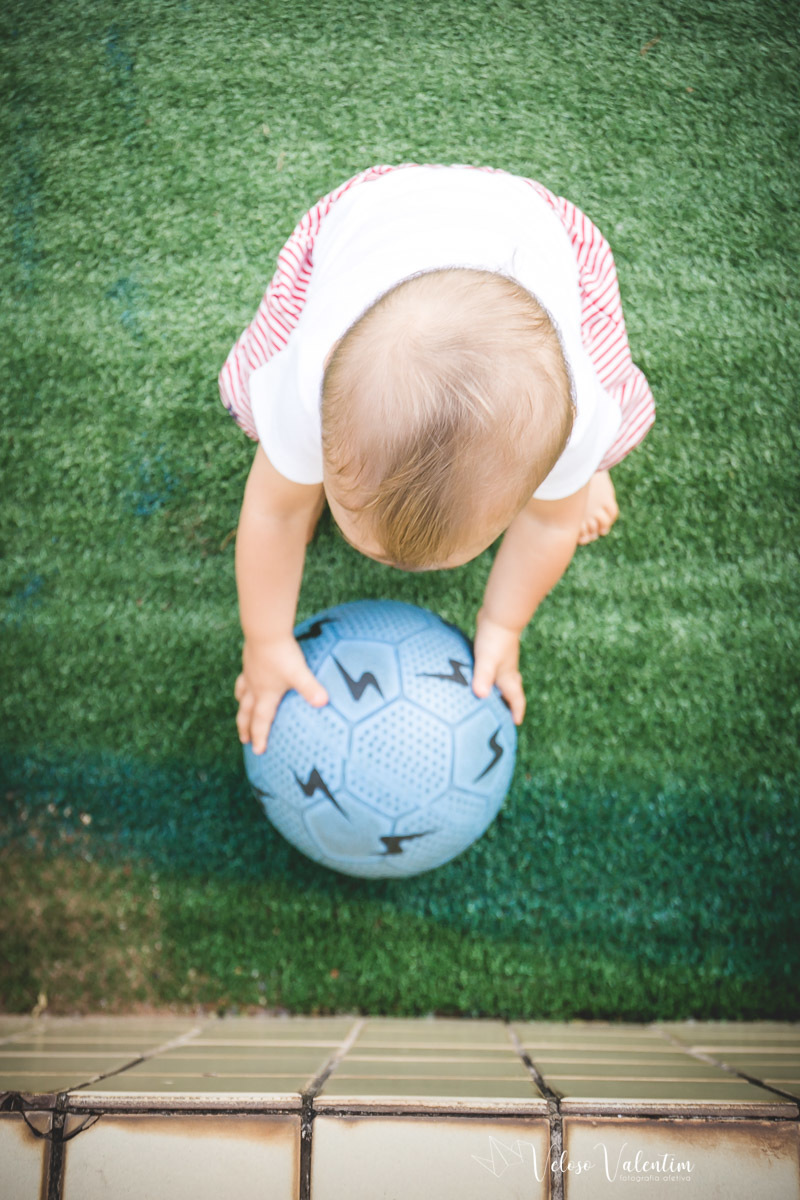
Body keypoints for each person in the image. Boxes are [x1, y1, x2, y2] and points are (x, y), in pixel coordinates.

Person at [220, 164, 654, 755]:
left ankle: (581, 474)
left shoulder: (576, 417)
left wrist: (504, 624)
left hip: (542, 243)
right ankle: (305, 462)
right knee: (260, 410)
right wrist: (264, 640)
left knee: (599, 438)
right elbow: (274, 514)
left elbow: (550, 522)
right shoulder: (306, 388)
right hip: (369, 215)